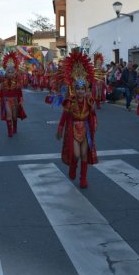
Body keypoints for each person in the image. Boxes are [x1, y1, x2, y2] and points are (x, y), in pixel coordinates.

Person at [56, 51, 97, 189]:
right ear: (74, 89)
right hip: (73, 129)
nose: (80, 91)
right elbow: (64, 116)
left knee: (85, 155)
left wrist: (94, 125)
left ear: (86, 89)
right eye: (77, 89)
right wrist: (60, 128)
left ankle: (83, 179)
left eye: (82, 89)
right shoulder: (70, 101)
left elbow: (93, 115)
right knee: (77, 154)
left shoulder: (89, 101)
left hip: (85, 129)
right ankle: (73, 167)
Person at [0, 52, 26, 137]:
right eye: (8, 72)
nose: (10, 73)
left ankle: (14, 128)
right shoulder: (3, 80)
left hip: (14, 99)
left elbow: (19, 91)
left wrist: (21, 100)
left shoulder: (17, 80)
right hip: (7, 100)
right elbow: (1, 92)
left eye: (12, 72)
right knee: (9, 115)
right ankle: (9, 132)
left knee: (14, 116)